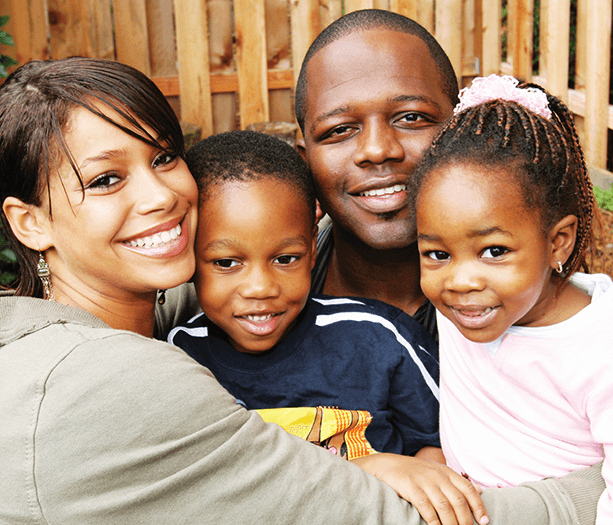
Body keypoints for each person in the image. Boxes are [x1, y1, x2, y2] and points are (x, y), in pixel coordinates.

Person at [0, 57, 604, 525]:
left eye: (163, 158)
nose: (160, 196)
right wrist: (597, 484)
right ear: (29, 222)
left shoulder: (146, 315)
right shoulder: (118, 380)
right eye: (106, 179)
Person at [412, 75, 612, 523]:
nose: (461, 280)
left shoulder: (599, 348)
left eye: (494, 251)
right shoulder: (468, 308)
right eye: (437, 253)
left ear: (558, 242)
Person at [170, 130, 441, 460]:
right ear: (188, 256)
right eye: (226, 263)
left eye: (285, 259)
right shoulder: (178, 360)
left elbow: (440, 444)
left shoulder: (380, 337)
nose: (261, 288)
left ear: (312, 248)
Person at [295, 9, 460, 339]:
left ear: (461, 127)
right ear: (305, 159)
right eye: (340, 129)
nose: (377, 150)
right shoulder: (246, 298)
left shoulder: (532, 303)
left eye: (411, 117)